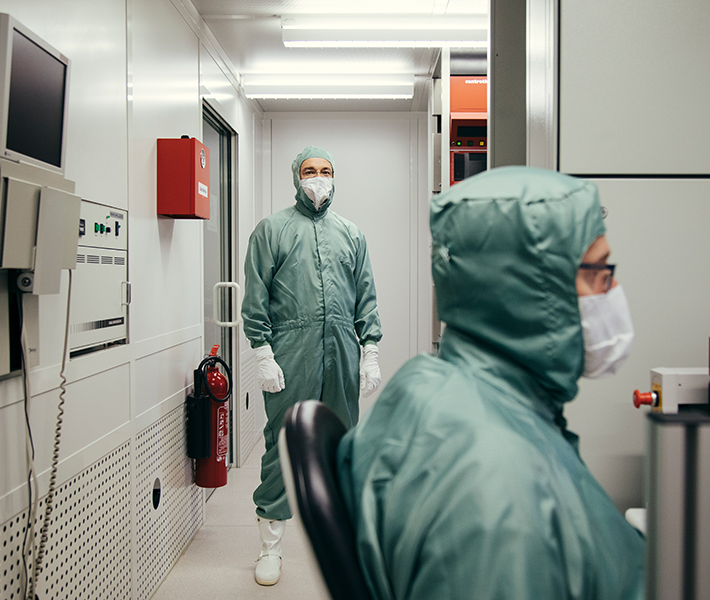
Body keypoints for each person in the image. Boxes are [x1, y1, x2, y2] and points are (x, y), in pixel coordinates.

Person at [337, 166, 644, 599]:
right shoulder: (497, 486)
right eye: (598, 273)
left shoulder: (437, 386)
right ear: (531, 291)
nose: (612, 293)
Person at [241, 145, 383, 586]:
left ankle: (348, 543)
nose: (317, 178)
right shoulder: (272, 230)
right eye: (309, 171)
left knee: (343, 444)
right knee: (282, 445)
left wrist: (371, 348)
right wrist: (262, 351)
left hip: (341, 352)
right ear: (295, 177)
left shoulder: (351, 234)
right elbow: (255, 296)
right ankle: (270, 549)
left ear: (335, 177)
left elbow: (365, 296)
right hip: (290, 352)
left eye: (325, 171)